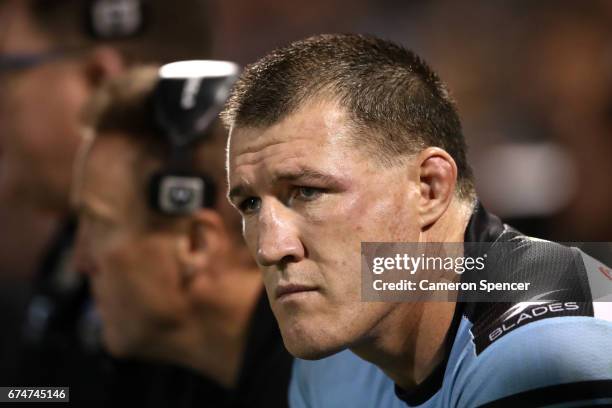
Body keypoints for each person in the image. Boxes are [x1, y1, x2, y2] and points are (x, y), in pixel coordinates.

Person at [222, 34, 612, 407]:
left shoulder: (549, 352)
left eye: (307, 191)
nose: (271, 247)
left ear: (429, 187)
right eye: (251, 204)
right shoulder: (336, 357)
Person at [0, 0, 214, 404]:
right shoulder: (73, 244)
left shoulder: (179, 275)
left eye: (6, 72)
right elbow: (56, 393)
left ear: (99, 79)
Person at [72, 63, 292, 407]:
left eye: (99, 225)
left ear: (195, 243)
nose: (80, 261)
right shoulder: (167, 375)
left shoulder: (344, 378)